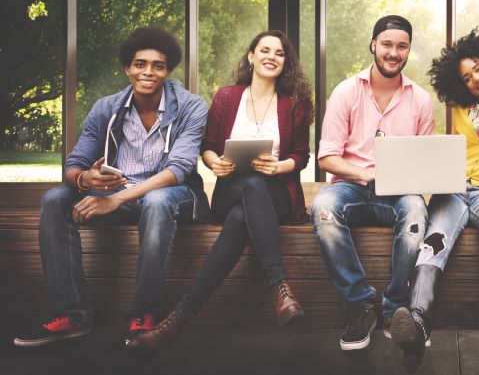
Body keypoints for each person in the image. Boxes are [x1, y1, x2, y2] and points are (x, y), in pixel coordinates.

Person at [13, 27, 210, 349]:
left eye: (157, 65)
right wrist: (83, 180)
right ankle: (73, 314)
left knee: (157, 200)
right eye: (140, 64)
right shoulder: (107, 107)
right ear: (127, 68)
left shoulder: (191, 106)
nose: (148, 72)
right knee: (55, 199)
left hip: (176, 196)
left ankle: (144, 314)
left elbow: (178, 169)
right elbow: (74, 162)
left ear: (168, 70)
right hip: (119, 194)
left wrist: (115, 199)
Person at [125, 30, 314, 352]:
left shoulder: (293, 103)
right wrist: (215, 164)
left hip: (277, 193)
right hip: (229, 189)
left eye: (279, 53)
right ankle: (279, 285)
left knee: (246, 208)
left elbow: (300, 155)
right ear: (251, 56)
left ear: (286, 62)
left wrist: (278, 166)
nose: (271, 57)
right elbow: (208, 146)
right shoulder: (227, 97)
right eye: (264, 50)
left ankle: (178, 318)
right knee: (247, 190)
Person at [391, 29, 479, 365]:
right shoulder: (456, 106)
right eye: (467, 78)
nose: (477, 79)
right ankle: (417, 321)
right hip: (453, 189)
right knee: (433, 240)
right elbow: (448, 150)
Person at [312, 15, 434, 351]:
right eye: (387, 45)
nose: (394, 52)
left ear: (408, 50)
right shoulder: (346, 92)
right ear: (373, 46)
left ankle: (395, 307)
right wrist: (366, 174)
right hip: (350, 187)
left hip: (396, 193)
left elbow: (426, 160)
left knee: (414, 210)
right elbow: (327, 158)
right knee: (323, 207)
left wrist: (414, 176)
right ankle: (360, 305)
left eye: (402, 46)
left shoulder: (421, 100)